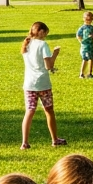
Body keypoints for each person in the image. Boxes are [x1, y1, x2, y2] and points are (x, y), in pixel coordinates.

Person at [20, 22, 65, 150]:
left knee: (29, 111)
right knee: (49, 110)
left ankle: (25, 142)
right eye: (45, 33)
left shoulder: (27, 44)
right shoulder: (43, 45)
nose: (45, 36)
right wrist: (55, 54)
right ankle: (55, 139)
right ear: (40, 31)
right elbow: (48, 66)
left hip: (29, 84)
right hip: (43, 84)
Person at [76, 11, 93, 79]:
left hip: (91, 46)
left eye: (90, 19)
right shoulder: (82, 28)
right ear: (84, 19)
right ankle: (81, 74)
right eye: (87, 19)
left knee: (92, 59)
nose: (88, 21)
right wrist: (81, 41)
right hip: (85, 47)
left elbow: (92, 34)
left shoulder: (91, 27)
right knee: (85, 59)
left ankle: (90, 73)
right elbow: (78, 35)